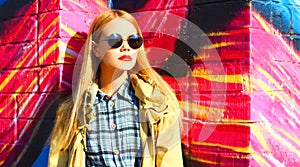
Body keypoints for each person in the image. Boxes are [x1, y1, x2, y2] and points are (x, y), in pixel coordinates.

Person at [48, 9, 183, 167]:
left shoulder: (158, 107)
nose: (126, 47)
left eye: (133, 41)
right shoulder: (72, 113)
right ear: (96, 49)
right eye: (115, 41)